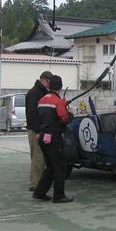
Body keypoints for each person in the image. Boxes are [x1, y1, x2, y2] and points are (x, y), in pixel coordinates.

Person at [33, 75, 74, 203]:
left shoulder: (41, 100)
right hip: (54, 138)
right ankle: (59, 195)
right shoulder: (58, 102)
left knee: (50, 167)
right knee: (60, 166)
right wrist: (71, 113)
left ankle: (39, 192)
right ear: (60, 87)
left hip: (43, 137)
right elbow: (64, 119)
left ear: (49, 86)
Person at [26, 71, 53, 191]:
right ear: (45, 80)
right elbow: (32, 114)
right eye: (49, 82)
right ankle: (35, 183)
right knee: (38, 157)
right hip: (36, 130)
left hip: (40, 129)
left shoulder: (40, 92)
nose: (50, 85)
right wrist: (37, 131)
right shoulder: (35, 93)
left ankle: (38, 181)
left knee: (40, 156)